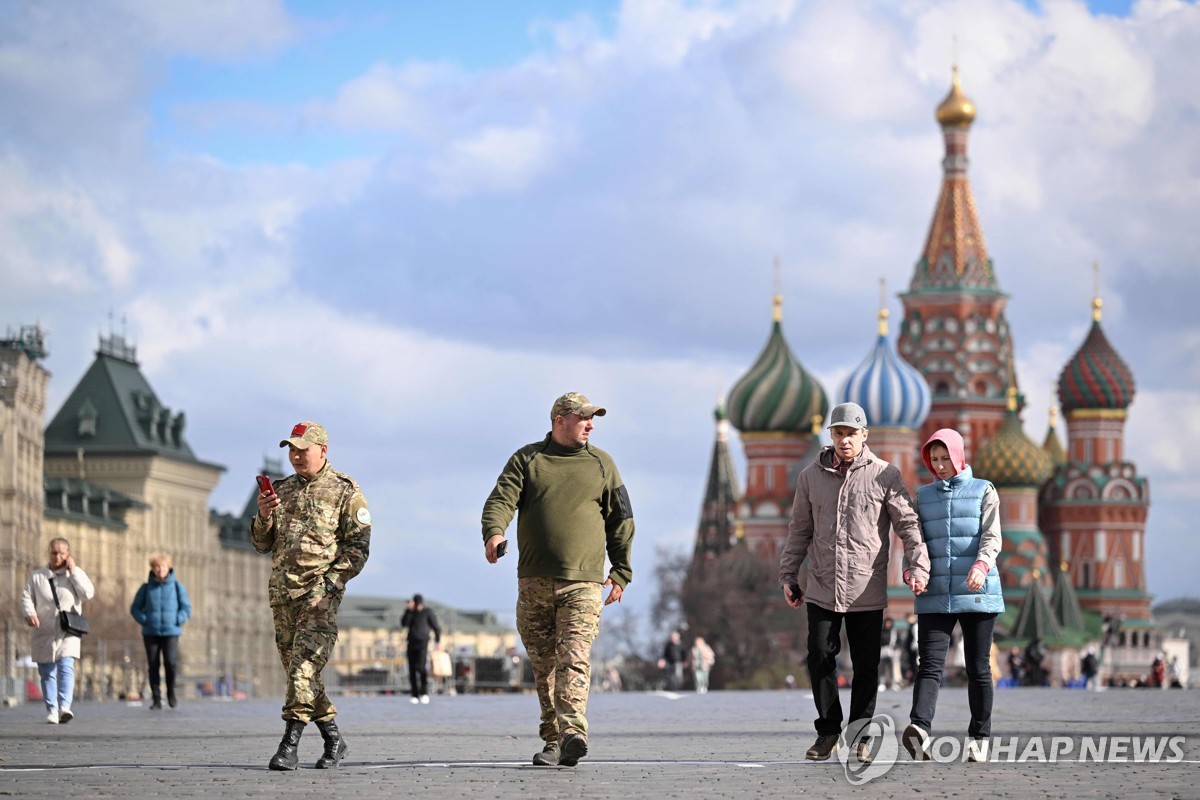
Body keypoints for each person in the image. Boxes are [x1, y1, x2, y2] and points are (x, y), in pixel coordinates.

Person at [482, 391, 635, 768]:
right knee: (544, 666)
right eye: (583, 417)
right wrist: (494, 533)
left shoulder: (603, 464)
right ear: (559, 420)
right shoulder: (528, 458)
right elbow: (500, 499)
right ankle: (554, 741)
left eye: (592, 418)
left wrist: (621, 572)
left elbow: (622, 521)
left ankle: (573, 732)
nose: (591, 424)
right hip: (533, 582)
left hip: (584, 583)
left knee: (574, 658)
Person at [779, 401, 930, 764]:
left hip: (866, 587)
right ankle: (828, 731)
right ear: (830, 435)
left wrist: (918, 564)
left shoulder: (885, 475)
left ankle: (860, 735)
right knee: (819, 655)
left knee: (865, 666)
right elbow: (799, 529)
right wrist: (788, 574)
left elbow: (908, 524)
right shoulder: (810, 477)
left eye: (851, 434)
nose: (845, 440)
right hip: (821, 585)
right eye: (839, 433)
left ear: (865, 436)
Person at [251, 421, 371, 771]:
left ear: (323, 450)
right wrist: (263, 514)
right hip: (283, 596)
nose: (296, 455)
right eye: (291, 449)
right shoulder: (282, 490)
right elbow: (261, 544)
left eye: (303, 449)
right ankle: (334, 738)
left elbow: (358, 548)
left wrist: (331, 583)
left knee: (303, 670)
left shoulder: (345, 491)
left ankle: (288, 746)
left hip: (318, 597)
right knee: (299, 675)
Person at [900, 428, 1004, 765]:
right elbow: (915, 543)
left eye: (946, 458)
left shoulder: (983, 491)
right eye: (934, 459)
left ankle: (979, 738)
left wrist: (981, 565)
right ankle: (920, 729)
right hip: (935, 592)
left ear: (959, 456)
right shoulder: (923, 496)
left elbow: (992, 536)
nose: (941, 465)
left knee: (978, 668)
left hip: (977, 589)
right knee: (929, 666)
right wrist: (911, 572)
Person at [21, 537, 95, 724]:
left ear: (68, 555)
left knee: (66, 666)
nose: (57, 556)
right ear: (49, 554)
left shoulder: (75, 575)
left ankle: (64, 707)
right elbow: (26, 597)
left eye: (62, 553)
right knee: (47, 671)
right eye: (54, 553)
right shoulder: (37, 576)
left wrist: (75, 572)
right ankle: (52, 709)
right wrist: (30, 613)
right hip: (43, 630)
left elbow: (87, 593)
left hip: (68, 630)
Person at [130, 552, 193, 710]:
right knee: (153, 665)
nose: (160, 569)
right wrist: (145, 620)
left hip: (171, 632)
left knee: (171, 663)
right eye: (157, 566)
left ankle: (171, 692)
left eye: (163, 566)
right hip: (151, 632)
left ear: (168, 568)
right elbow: (135, 608)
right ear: (152, 568)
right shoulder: (146, 588)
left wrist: (178, 619)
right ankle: (156, 698)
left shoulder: (177, 586)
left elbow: (186, 608)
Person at [401, 593, 441, 704]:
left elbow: (436, 627)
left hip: (423, 644)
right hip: (411, 644)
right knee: (412, 669)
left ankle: (424, 692)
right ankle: (414, 694)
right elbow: (404, 624)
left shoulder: (427, 612)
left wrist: (438, 641)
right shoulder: (411, 613)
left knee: (421, 668)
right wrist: (408, 610)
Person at [879, 617, 901, 691]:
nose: (888, 624)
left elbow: (899, 641)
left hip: (892, 651)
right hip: (883, 650)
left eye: (890, 623)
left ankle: (893, 683)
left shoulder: (894, 632)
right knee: (882, 668)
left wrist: (896, 648)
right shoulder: (882, 631)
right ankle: (882, 683)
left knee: (893, 668)